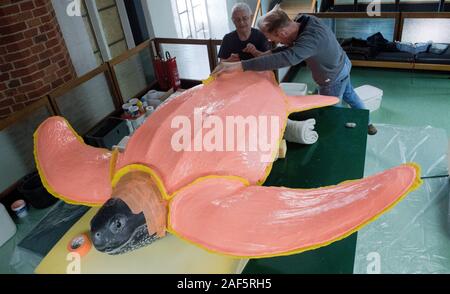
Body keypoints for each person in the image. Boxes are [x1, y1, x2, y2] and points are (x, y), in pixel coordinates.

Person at [213, 8, 377, 135]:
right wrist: (266, 54)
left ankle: (335, 138)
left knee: (330, 112)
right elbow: (288, 47)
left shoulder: (310, 40)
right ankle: (368, 123)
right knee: (351, 96)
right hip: (343, 66)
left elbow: (287, 57)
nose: (272, 42)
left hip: (332, 77)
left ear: (282, 32)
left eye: (272, 38)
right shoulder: (304, 21)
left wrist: (239, 65)